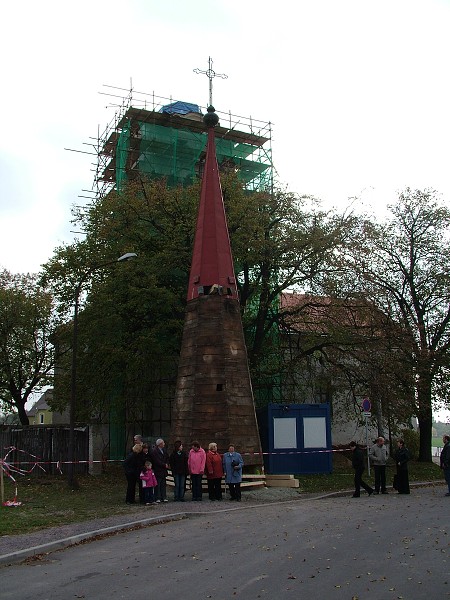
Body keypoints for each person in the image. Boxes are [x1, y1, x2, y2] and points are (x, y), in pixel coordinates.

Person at [150, 438, 170, 503]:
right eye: (163, 443)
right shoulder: (154, 452)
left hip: (163, 470)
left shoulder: (164, 450)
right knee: (157, 484)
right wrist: (164, 464)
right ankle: (157, 497)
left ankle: (163, 497)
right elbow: (156, 461)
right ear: (160, 444)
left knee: (163, 484)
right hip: (158, 470)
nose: (164, 444)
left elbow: (167, 457)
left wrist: (167, 463)